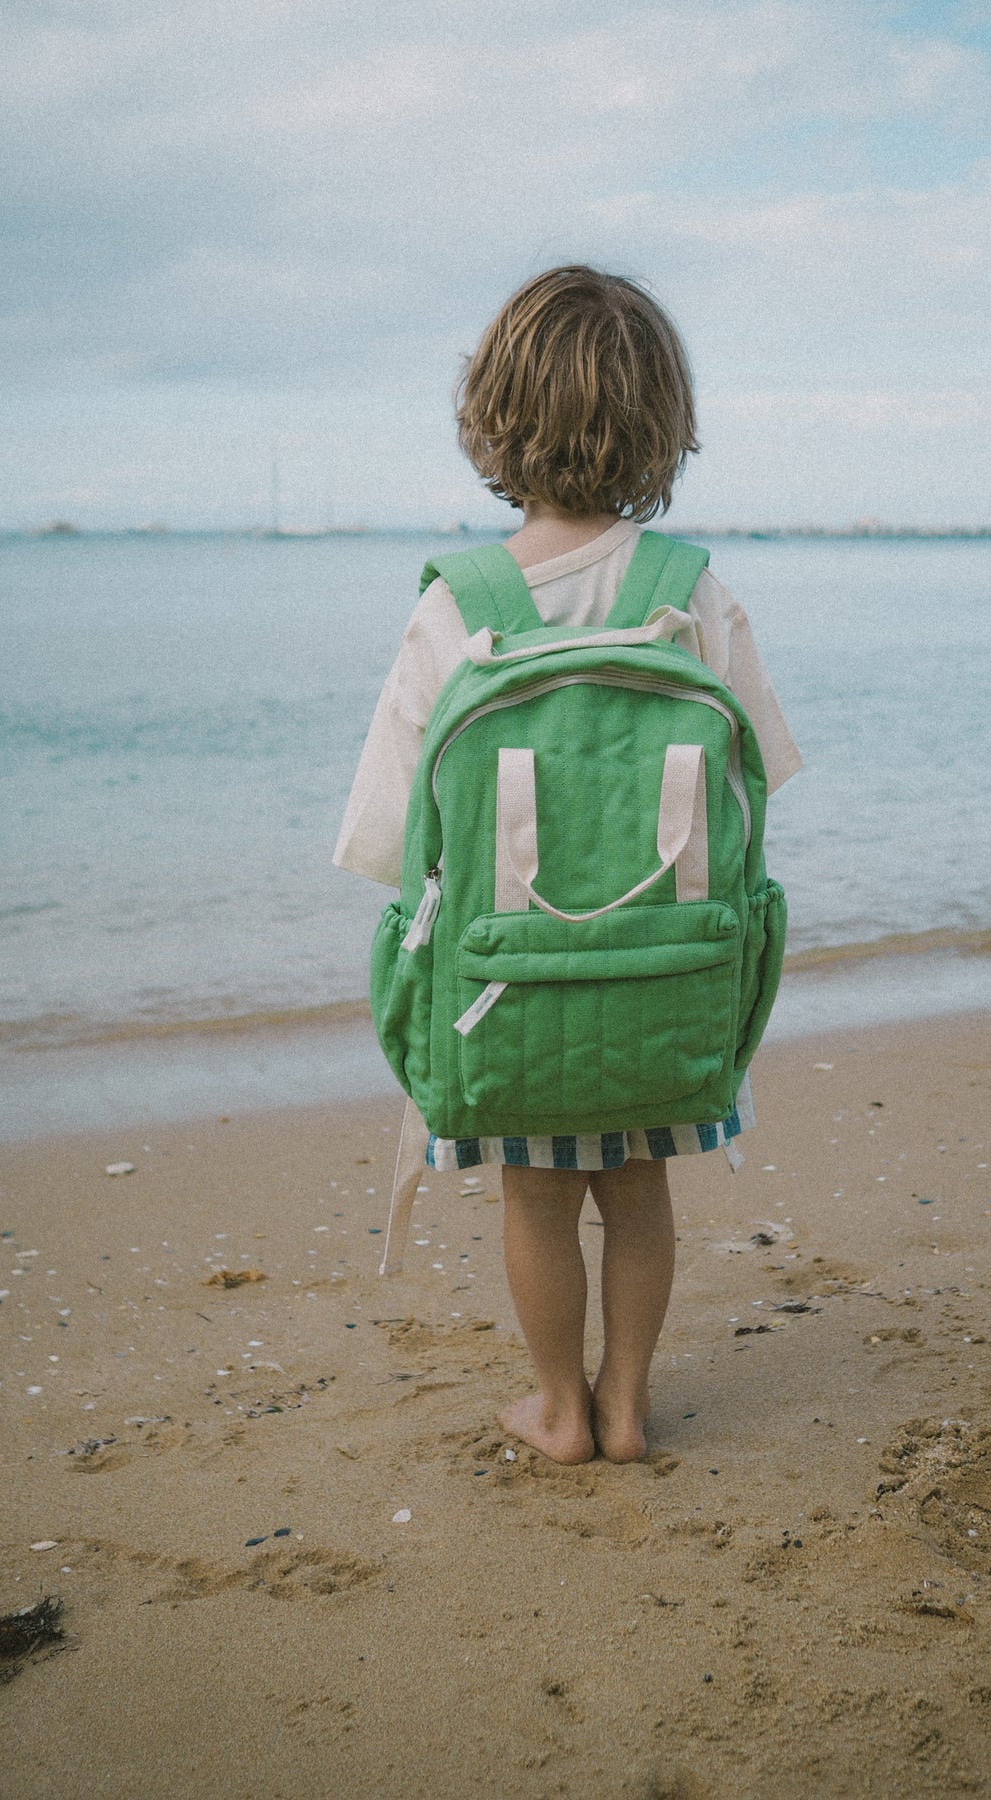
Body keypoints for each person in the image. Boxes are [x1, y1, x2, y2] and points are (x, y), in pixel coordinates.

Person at [335, 266, 801, 1464]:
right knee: (639, 1190)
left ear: (492, 414)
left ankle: (557, 1407)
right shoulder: (690, 589)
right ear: (663, 423)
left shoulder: (459, 604)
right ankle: (628, 1405)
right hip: (667, 979)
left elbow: (390, 835)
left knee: (537, 1200)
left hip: (510, 989)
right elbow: (761, 772)